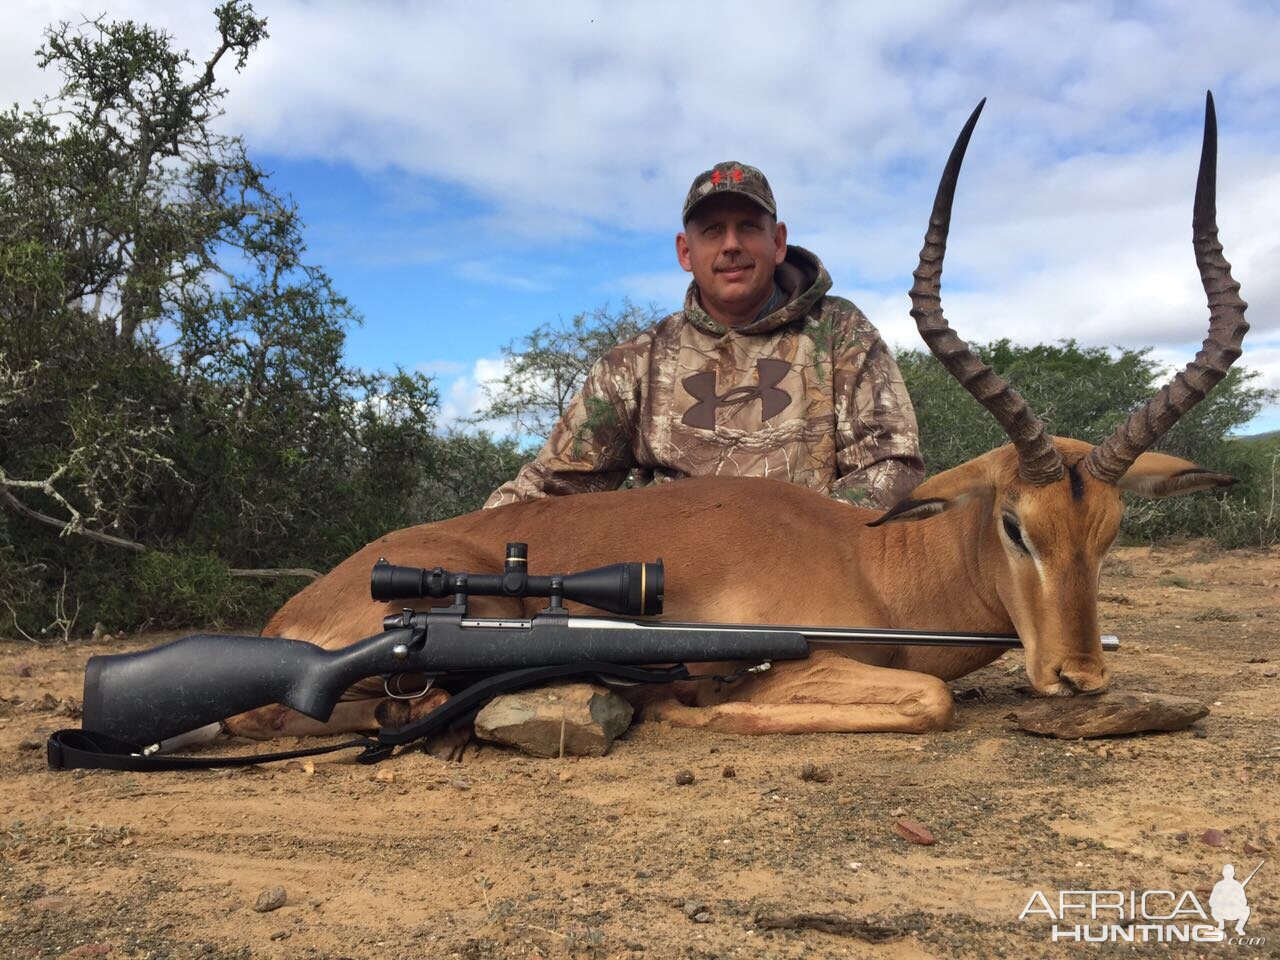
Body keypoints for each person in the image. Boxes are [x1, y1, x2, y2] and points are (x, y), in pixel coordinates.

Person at [484, 161, 924, 510]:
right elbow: (552, 487)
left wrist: (786, 549)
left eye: (749, 226)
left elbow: (892, 468)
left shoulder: (841, 334)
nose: (731, 244)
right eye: (712, 230)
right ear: (685, 251)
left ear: (778, 241)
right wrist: (461, 546)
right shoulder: (638, 361)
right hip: (666, 590)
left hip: (806, 585)